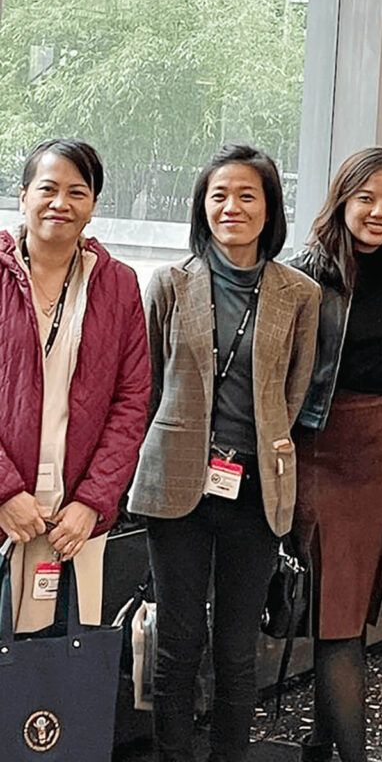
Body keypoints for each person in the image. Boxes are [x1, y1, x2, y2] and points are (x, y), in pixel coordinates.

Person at [130, 144, 320, 762]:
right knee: (179, 640)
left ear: (269, 209)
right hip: (174, 483)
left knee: (238, 647)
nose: (231, 207)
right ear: (202, 207)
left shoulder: (299, 293)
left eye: (247, 196)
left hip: (257, 487)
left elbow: (295, 389)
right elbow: (151, 385)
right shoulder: (168, 283)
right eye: (219, 196)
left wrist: (262, 446)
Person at [287, 147, 382, 762]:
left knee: (349, 611)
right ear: (342, 199)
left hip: (380, 453)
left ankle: (320, 744)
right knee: (336, 616)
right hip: (319, 447)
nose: (379, 212)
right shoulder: (305, 273)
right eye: (366, 197)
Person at [0, 138, 149, 633]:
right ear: (22, 196)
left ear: (93, 207)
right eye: (48, 188)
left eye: (76, 192)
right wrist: (4, 492)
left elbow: (131, 403)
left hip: (73, 519)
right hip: (5, 504)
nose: (60, 203)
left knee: (53, 670)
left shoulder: (118, 285)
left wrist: (93, 502)